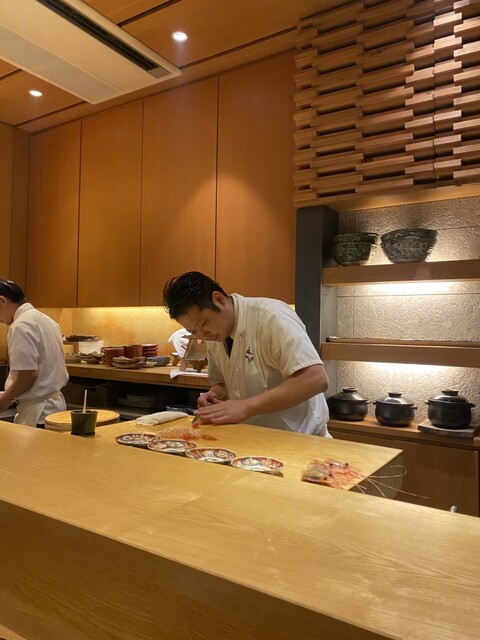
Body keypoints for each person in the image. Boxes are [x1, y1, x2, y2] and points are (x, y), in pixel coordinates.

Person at [163, 271, 331, 436]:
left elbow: (315, 379)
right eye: (194, 331)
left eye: (204, 323)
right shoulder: (215, 335)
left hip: (300, 436)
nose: (203, 334)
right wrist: (214, 394)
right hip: (253, 436)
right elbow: (224, 383)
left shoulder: (271, 316)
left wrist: (245, 407)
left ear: (219, 299)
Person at [0, 280, 68, 426]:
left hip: (38, 412)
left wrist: (4, 400)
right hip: (54, 408)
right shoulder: (47, 320)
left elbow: (27, 375)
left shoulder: (20, 325)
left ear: (2, 301)